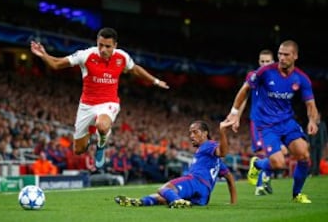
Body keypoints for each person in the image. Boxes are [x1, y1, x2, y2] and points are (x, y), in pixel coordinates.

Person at [30, 27, 169, 169]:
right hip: (87, 105)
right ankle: (91, 132)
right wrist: (43, 55)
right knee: (78, 150)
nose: (102, 49)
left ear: (115, 45)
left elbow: (135, 69)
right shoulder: (86, 55)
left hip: (109, 103)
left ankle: (101, 145)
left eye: (107, 46)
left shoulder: (122, 57)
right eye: (100, 45)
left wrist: (156, 81)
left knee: (102, 126)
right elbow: (56, 64)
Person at [226, 40, 319, 203]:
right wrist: (234, 113)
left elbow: (310, 104)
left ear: (295, 56)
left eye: (286, 54)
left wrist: (312, 120)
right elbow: (245, 90)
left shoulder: (301, 78)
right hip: (266, 125)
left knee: (304, 155)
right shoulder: (265, 72)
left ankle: (297, 195)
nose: (282, 58)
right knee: (278, 163)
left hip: (287, 122)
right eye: (280, 54)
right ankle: (258, 165)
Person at [114, 119, 237, 208]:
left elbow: (222, 152)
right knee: (164, 198)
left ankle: (178, 202)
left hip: (195, 182)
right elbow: (230, 178)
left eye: (195, 132)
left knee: (164, 189)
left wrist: (222, 131)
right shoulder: (213, 161)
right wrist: (233, 202)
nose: (191, 136)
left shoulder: (208, 145)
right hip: (203, 196)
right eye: (190, 133)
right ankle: (141, 202)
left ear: (205, 133)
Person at [232, 49, 276, 196]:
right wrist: (237, 116)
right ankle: (261, 185)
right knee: (264, 152)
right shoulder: (253, 76)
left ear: (273, 62)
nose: (264, 64)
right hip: (258, 121)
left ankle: (257, 166)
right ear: (258, 62)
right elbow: (244, 96)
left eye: (267, 61)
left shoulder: (279, 78)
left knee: (277, 155)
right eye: (262, 61)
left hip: (275, 121)